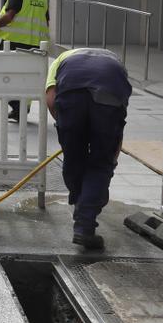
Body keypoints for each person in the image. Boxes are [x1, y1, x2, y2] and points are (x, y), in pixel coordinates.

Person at [46, 48, 131, 250]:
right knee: (101, 164)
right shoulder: (116, 62)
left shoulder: (60, 60)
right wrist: (111, 159)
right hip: (108, 98)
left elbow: (51, 98)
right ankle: (85, 223)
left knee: (73, 159)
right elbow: (119, 115)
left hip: (71, 98)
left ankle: (82, 209)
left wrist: (65, 128)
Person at [0, 0, 50, 122]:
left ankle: (17, 106)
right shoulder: (42, 0)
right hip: (35, 45)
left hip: (14, 43)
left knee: (3, 75)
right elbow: (45, 21)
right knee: (27, 78)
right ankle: (21, 109)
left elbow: (9, 17)